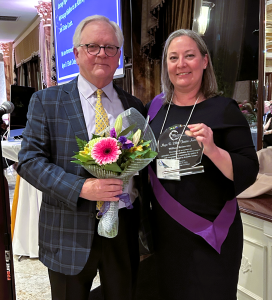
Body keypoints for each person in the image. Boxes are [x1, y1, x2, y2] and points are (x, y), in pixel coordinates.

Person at [17, 15, 151, 300]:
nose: (102, 54)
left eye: (110, 47)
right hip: (67, 230)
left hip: (122, 230)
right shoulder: (47, 101)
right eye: (92, 46)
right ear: (76, 53)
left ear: (118, 56)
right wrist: (81, 188)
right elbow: (29, 161)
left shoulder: (134, 106)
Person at [146, 29, 259, 300]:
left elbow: (249, 169)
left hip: (212, 232)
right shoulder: (155, 109)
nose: (181, 64)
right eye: (173, 58)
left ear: (204, 61)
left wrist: (213, 149)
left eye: (189, 56)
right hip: (166, 233)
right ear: (166, 66)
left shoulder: (224, 109)